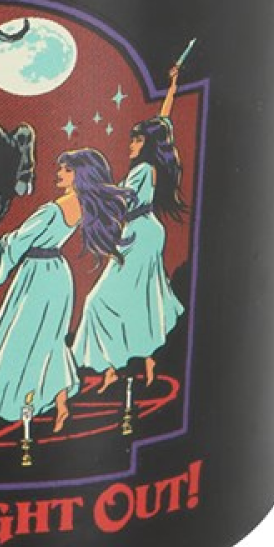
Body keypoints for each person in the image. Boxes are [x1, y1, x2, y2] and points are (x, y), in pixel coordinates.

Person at [0, 148, 129, 434]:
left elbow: (10, 245)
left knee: (17, 338)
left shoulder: (53, 210)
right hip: (58, 275)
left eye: (67, 170)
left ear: (81, 174)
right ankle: (61, 401)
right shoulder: (83, 205)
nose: (59, 173)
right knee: (50, 340)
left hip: (38, 277)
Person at [72, 64, 188, 390]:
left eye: (137, 140)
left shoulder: (143, 170)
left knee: (98, 301)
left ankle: (116, 365)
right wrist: (173, 86)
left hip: (138, 234)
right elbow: (164, 121)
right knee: (141, 298)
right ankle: (140, 362)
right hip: (143, 233)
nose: (131, 145)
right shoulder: (148, 167)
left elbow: (120, 202)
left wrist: (90, 187)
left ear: (146, 144)